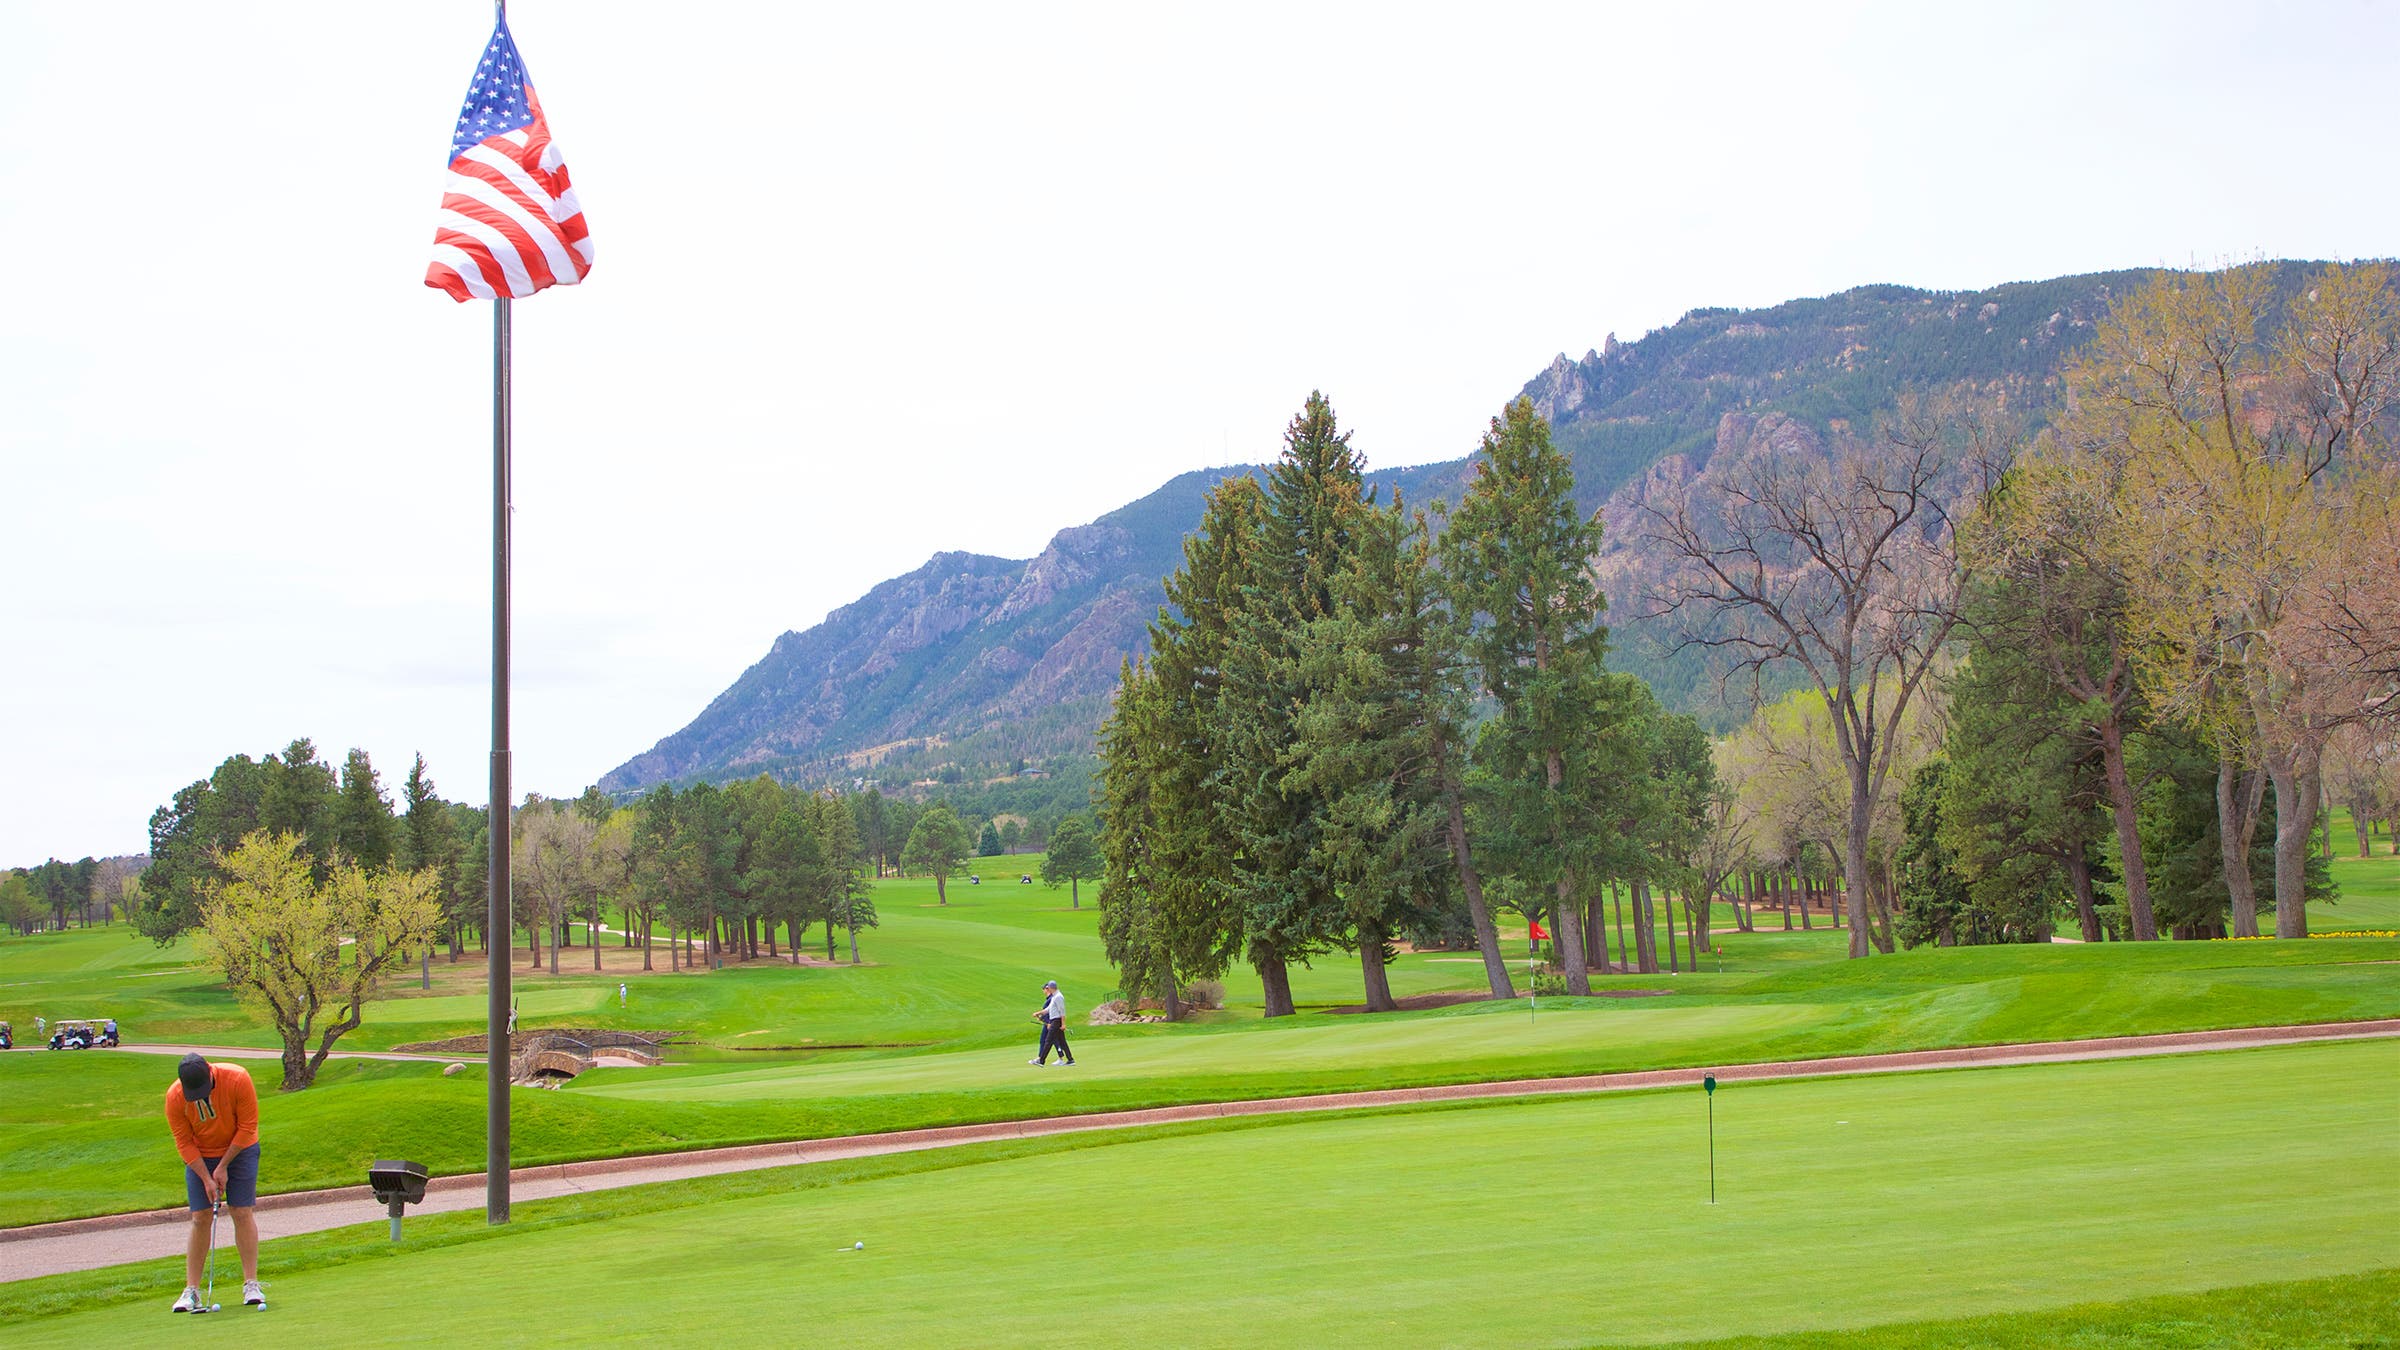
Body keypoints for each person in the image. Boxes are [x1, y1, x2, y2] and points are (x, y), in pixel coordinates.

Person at [165, 1053, 264, 1311]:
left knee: (241, 1211)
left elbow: (248, 1126)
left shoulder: (238, 1078)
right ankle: (192, 1290)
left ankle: (251, 1284)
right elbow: (183, 1142)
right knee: (200, 1217)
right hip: (200, 1156)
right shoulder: (174, 1096)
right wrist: (206, 1177)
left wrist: (223, 1166)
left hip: (241, 1149)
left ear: (211, 1071)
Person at [1029, 979, 1074, 1067]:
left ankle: (1041, 1061)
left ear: (1051, 988)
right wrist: (1039, 1013)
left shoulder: (1058, 997)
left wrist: (1063, 1024)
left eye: (1048, 988)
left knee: (1048, 1041)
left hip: (1056, 1021)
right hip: (1055, 1020)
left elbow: (1062, 1011)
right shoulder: (1054, 996)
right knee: (1062, 1041)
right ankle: (1070, 1059)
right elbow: (1048, 1009)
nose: (1047, 989)